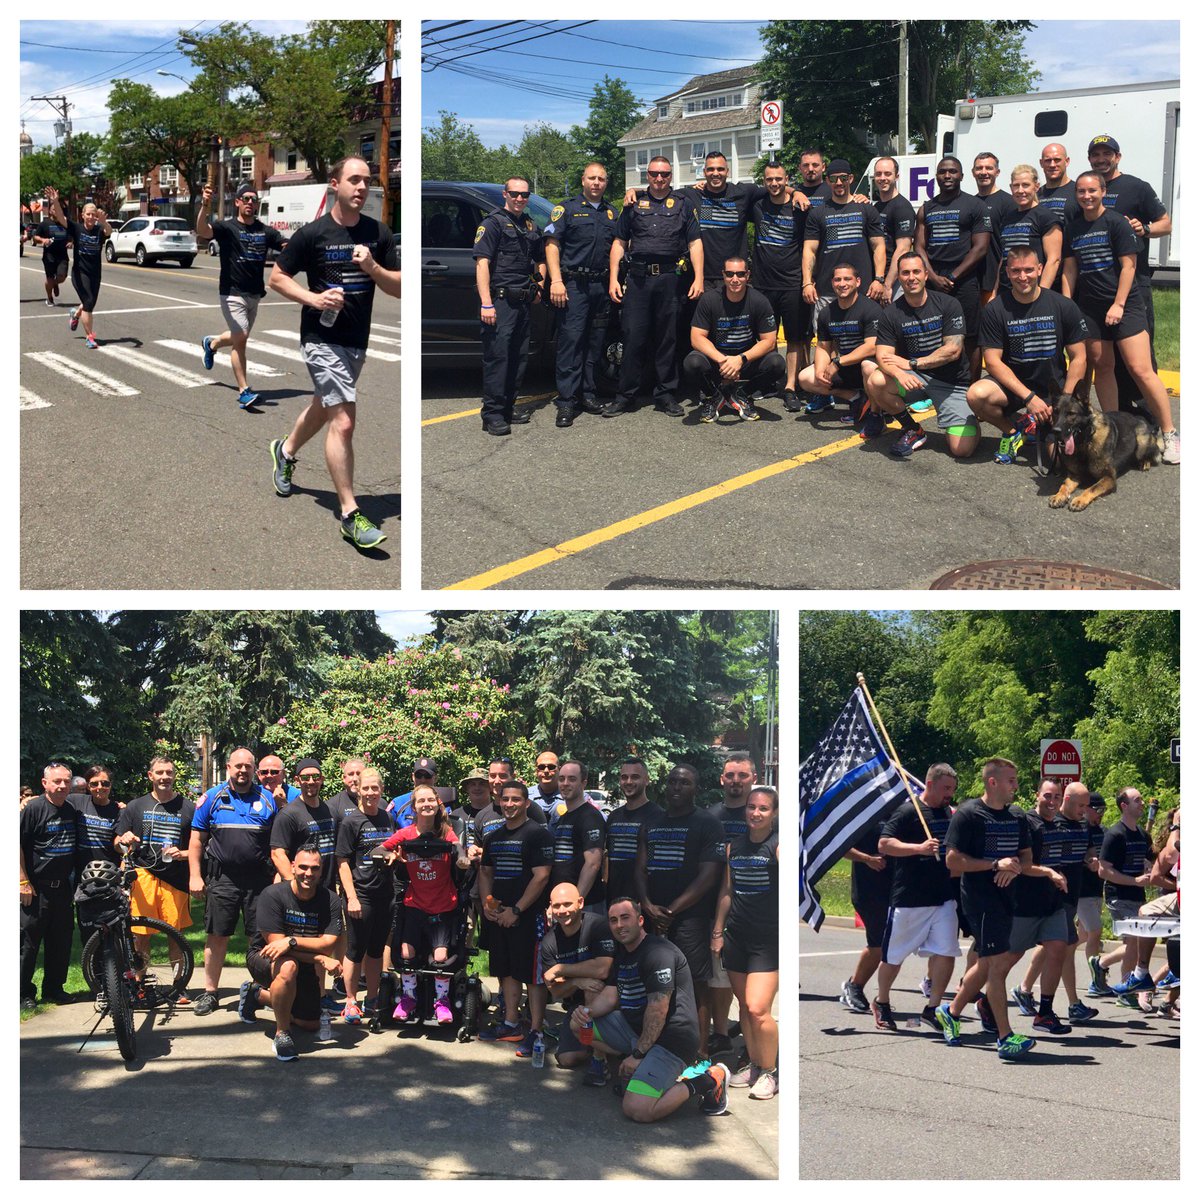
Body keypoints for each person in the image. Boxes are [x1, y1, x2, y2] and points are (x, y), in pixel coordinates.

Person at [267, 156, 400, 548]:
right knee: (343, 420)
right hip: (320, 340)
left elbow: (400, 287)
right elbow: (277, 277)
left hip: (355, 342)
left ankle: (286, 450)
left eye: (367, 181)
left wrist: (374, 267)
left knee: (326, 406)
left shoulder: (379, 233)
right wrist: (314, 298)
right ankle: (350, 514)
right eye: (354, 180)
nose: (361, 187)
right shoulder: (313, 234)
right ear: (335, 185)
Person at [569, 897, 728, 1121]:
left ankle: (708, 1080)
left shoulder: (657, 953)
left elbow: (658, 1011)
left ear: (641, 920)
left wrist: (637, 1055)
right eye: (613, 920)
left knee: (637, 1109)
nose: (619, 925)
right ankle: (644, 1068)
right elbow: (611, 994)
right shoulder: (624, 952)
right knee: (579, 1024)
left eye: (625, 918)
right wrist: (586, 1013)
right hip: (636, 1030)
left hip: (672, 1040)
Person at [1061, 171, 1179, 462]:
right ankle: (1115, 432)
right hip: (1090, 308)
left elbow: (1129, 267)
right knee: (1103, 366)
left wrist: (1118, 304)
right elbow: (1071, 269)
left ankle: (1170, 433)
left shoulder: (1116, 222)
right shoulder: (1074, 228)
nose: (1087, 196)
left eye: (1092, 190)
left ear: (1102, 191)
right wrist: (1066, 305)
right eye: (1081, 192)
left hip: (1126, 305)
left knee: (1141, 369)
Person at [937, 758, 1036, 1060]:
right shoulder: (968, 815)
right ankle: (1005, 1037)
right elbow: (952, 861)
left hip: (1008, 899)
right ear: (992, 782)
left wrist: (1014, 868)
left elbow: (1027, 860)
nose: (1016, 786)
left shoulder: (1017, 816)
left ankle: (950, 1012)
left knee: (984, 963)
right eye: (1011, 780)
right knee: (995, 966)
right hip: (980, 901)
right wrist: (994, 864)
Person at [635, 763, 725, 1063]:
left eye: (684, 783)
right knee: (654, 980)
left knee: (695, 982)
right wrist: (647, 905)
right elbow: (641, 867)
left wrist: (672, 910)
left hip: (690, 919)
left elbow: (709, 876)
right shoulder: (653, 822)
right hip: (652, 915)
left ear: (695, 788)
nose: (676, 787)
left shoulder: (707, 823)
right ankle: (656, 1039)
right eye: (673, 782)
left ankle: (700, 1050)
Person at [968, 243, 1089, 464]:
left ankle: (1041, 429)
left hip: (1054, 391)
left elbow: (1079, 357)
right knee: (976, 395)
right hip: (1014, 388)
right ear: (1007, 272)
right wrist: (1029, 398)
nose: (1022, 276)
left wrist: (1063, 402)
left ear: (1040, 269)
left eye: (1028, 270)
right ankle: (1015, 430)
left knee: (1060, 463)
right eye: (1015, 270)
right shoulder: (995, 309)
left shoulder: (1062, 305)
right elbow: (992, 361)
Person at [604, 156, 703, 418]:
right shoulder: (633, 203)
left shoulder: (683, 204)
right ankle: (626, 395)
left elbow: (695, 243)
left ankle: (665, 394)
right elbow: (619, 242)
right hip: (638, 280)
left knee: (667, 339)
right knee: (633, 338)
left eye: (665, 174)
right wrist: (614, 278)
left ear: (671, 176)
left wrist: (699, 278)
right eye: (654, 174)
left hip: (671, 279)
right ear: (647, 175)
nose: (660, 179)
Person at [867, 764, 959, 1033]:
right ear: (929, 784)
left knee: (947, 952)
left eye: (952, 790)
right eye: (945, 789)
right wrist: (918, 848)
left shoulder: (947, 812)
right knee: (893, 957)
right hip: (909, 897)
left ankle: (932, 1008)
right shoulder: (908, 811)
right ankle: (882, 1000)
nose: (949, 794)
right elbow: (884, 844)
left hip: (942, 897)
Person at [187, 748, 277, 1016]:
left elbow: (277, 843)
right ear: (228, 767)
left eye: (248, 767)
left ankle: (259, 991)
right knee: (217, 935)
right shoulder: (212, 798)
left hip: (259, 880)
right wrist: (194, 875)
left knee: (259, 936)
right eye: (238, 766)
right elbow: (196, 841)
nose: (242, 771)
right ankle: (211, 993)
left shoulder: (268, 799)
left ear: (254, 771)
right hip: (222, 878)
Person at [1085, 134, 1172, 410]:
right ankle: (1122, 414)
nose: (1101, 159)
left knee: (1140, 357)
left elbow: (1165, 224)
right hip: (1097, 286)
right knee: (1108, 360)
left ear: (1117, 157)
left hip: (1135, 282)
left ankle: (1152, 418)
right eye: (1096, 155)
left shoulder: (1137, 187)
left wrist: (1145, 229)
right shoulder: (1085, 189)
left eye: (1106, 154)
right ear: (1090, 159)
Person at [237, 844, 344, 1061]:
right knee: (288, 966)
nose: (308, 873)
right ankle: (282, 1034)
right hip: (263, 957)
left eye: (314, 868)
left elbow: (328, 944)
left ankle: (257, 995)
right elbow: (276, 948)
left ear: (321, 870)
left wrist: (292, 941)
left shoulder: (330, 899)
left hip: (299, 960)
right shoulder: (273, 895)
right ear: (293, 867)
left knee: (311, 1023)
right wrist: (319, 959)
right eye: (303, 867)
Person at [866, 252, 975, 459]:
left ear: (926, 274)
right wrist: (899, 373)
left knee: (962, 450)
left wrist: (912, 364)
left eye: (916, 271)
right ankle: (912, 428)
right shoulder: (891, 313)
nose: (911, 277)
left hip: (950, 382)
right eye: (905, 273)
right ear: (899, 277)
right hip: (915, 379)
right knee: (876, 380)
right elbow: (883, 355)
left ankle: (966, 418)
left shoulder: (948, 304)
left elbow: (953, 350)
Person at [477, 780, 554, 1056]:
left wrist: (517, 910)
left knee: (532, 975)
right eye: (505, 799)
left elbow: (542, 876)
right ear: (499, 802)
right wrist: (489, 905)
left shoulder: (537, 835)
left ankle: (535, 1029)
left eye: (516, 800)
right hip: (499, 916)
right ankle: (510, 1023)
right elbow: (485, 872)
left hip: (527, 916)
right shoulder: (493, 837)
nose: (509, 804)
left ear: (526, 803)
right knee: (506, 969)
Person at [713, 784, 779, 1100]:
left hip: (768, 941)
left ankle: (770, 1071)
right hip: (736, 937)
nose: (755, 813)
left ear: (774, 813)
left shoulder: (779, 847)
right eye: (752, 807)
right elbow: (727, 893)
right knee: (744, 1006)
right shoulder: (734, 848)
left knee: (758, 1008)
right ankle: (754, 1063)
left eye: (763, 808)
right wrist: (717, 931)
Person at [380, 782, 465, 1024]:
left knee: (440, 957)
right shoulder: (405, 834)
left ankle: (442, 1002)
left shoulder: (446, 832)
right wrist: (389, 856)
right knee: (406, 952)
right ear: (414, 807)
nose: (426, 805)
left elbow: (459, 850)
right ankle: (409, 998)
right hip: (415, 904)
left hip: (443, 905)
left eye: (430, 801)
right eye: (421, 801)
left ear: (438, 805)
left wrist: (464, 860)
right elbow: (381, 849)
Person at [1015, 780, 1099, 1024]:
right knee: (1060, 947)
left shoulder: (1083, 824)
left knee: (1055, 947)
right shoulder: (1050, 822)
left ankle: (1025, 990)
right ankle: (1072, 1003)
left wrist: (1091, 859)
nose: (1084, 810)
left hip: (1072, 890)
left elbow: (1087, 850)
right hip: (1050, 893)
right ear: (1067, 801)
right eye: (1080, 805)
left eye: (1086, 805)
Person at [197, 181, 287, 408]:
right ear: (237, 202)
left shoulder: (264, 231)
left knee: (240, 336)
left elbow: (285, 244)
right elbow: (202, 230)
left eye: (253, 199)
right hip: (231, 293)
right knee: (242, 339)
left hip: (254, 294)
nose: (249, 202)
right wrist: (205, 205)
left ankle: (212, 343)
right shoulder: (227, 228)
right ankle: (244, 390)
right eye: (245, 198)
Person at [113, 756, 195, 995]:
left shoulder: (188, 807)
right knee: (141, 935)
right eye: (159, 773)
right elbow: (118, 843)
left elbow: (201, 847)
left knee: (175, 936)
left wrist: (184, 853)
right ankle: (140, 983)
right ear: (150, 775)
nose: (164, 777)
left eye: (169, 772)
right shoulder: (135, 806)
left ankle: (179, 985)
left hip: (176, 879)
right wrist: (124, 841)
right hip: (143, 876)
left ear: (174, 775)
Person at [544, 163, 618, 427]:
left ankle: (588, 394)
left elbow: (617, 250)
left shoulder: (612, 212)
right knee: (571, 343)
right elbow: (552, 245)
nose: (596, 182)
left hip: (600, 286)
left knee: (594, 344)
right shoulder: (566, 209)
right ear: (583, 180)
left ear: (606, 182)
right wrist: (556, 281)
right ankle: (566, 402)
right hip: (574, 285)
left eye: (601, 178)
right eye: (592, 178)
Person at [473, 176, 545, 436]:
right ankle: (491, 414)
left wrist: (540, 285)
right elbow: (481, 264)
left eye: (524, 195)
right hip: (500, 302)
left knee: (518, 358)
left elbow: (539, 258)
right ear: (505, 194)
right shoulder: (492, 224)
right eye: (514, 193)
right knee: (498, 359)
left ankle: (508, 407)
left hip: (523, 301)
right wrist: (486, 304)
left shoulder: (528, 224)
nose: (519, 199)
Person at [1005, 778, 1073, 1035]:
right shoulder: (1027, 823)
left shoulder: (1058, 825)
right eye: (1048, 796)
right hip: (1025, 903)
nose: (1052, 802)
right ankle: (987, 1002)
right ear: (1037, 795)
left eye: (1056, 797)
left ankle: (1044, 1012)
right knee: (1009, 957)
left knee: (1058, 950)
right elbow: (1022, 865)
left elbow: (1056, 860)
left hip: (1052, 903)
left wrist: (1060, 874)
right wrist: (1048, 873)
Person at [915, 157, 991, 380]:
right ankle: (937, 385)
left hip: (965, 282)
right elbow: (919, 246)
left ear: (962, 175)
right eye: (942, 172)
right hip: (934, 282)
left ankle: (971, 386)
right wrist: (933, 276)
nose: (947, 176)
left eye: (952, 172)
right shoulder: (926, 208)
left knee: (969, 337)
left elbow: (980, 248)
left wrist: (953, 276)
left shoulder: (975, 206)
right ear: (936, 176)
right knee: (936, 334)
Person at [684, 256, 785, 422]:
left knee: (777, 363)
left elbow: (769, 341)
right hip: (718, 360)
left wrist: (741, 359)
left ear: (748, 275)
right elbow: (696, 338)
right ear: (723, 275)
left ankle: (743, 393)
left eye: (740, 274)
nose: (735, 279)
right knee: (692, 363)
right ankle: (713, 396)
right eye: (730, 274)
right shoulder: (709, 300)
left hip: (745, 360)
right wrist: (724, 361)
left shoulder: (759, 301)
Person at [334, 766, 395, 1023]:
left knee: (377, 950)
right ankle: (350, 1000)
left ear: (381, 790)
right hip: (362, 894)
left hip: (386, 894)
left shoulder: (387, 819)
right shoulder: (351, 822)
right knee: (355, 949)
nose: (370, 792)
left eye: (375, 788)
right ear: (358, 789)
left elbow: (394, 848)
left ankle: (372, 998)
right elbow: (342, 862)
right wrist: (352, 897)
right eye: (366, 788)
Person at [800, 157, 886, 337]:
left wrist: (879, 279)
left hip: (863, 291)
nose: (839, 183)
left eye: (843, 178)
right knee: (827, 346)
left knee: (867, 344)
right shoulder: (818, 213)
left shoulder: (866, 209)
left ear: (851, 179)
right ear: (827, 181)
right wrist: (807, 282)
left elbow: (878, 246)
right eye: (833, 179)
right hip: (828, 291)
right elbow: (809, 250)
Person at [707, 752, 756, 1053]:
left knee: (749, 982)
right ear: (722, 779)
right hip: (716, 904)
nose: (736, 781)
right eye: (731, 776)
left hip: (753, 909)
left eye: (743, 775)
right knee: (720, 977)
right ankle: (722, 1033)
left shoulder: (761, 816)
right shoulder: (711, 816)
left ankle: (751, 1036)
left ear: (754, 778)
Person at [540, 882, 616, 1075]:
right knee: (566, 1059)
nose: (562, 910)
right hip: (577, 1007)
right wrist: (576, 982)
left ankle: (600, 1062)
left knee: (593, 987)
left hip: (613, 1000)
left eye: (567, 904)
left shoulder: (599, 925)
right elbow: (555, 992)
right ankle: (599, 1046)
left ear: (580, 903)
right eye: (557, 905)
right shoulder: (550, 942)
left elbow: (603, 969)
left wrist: (561, 969)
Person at [20, 763, 78, 1008]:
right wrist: (22, 881)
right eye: (57, 781)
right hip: (35, 889)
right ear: (45, 783)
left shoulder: (72, 809)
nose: (62, 785)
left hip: (63, 889)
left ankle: (54, 988)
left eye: (66, 781)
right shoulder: (32, 809)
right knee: (27, 944)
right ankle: (22, 993)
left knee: (60, 941)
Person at [751, 162, 808, 407]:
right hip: (763, 284)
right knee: (767, 337)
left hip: (792, 283)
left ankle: (790, 387)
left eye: (779, 179)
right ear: (764, 182)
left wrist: (796, 192)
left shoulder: (799, 208)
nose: (774, 183)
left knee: (794, 338)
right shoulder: (756, 205)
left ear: (786, 179)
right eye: (769, 180)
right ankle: (770, 380)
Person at [797, 262, 881, 424]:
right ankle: (857, 398)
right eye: (837, 280)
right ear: (832, 283)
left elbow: (872, 346)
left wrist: (837, 362)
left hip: (869, 365)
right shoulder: (826, 313)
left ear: (858, 282)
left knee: (868, 367)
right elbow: (823, 346)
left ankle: (876, 411)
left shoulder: (870, 309)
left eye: (847, 279)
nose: (842, 284)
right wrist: (821, 371)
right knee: (806, 377)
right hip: (845, 367)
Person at [1092, 787, 1155, 992]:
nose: (1142, 803)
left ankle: (1100, 964)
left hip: (1138, 896)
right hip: (1118, 896)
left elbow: (1146, 862)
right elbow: (1103, 871)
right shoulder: (1115, 834)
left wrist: (1148, 869)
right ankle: (1127, 989)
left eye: (1142, 799)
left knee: (1135, 942)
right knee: (1135, 942)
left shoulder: (1144, 836)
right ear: (1124, 806)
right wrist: (1134, 880)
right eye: (1137, 800)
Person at [46, 187, 110, 348]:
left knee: (90, 303)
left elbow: (108, 231)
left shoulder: (98, 230)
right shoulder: (77, 228)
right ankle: (90, 337)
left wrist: (104, 223)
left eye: (93, 214)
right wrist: (55, 201)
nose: (91, 217)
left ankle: (75, 313)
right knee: (88, 302)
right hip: (80, 273)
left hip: (96, 273)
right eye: (88, 214)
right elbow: (61, 217)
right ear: (82, 215)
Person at [269, 758, 338, 892]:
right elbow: (277, 854)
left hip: (327, 890)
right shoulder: (288, 814)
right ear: (297, 780)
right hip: (301, 891)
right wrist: (294, 885)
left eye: (315, 777)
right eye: (305, 777)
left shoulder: (331, 811)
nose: (311, 781)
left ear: (322, 779)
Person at [993, 165, 1062, 293]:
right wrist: (995, 291)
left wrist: (1041, 294)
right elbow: (1004, 258)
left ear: (1036, 186)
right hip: (1007, 291)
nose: (1020, 190)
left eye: (1025, 185)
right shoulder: (1008, 218)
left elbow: (1054, 260)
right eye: (1016, 185)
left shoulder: (1046, 217)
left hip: (1032, 292)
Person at [549, 760, 606, 913]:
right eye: (562, 779)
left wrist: (576, 901)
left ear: (583, 783)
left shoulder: (590, 817)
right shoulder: (564, 817)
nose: (565, 783)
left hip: (586, 905)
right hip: (565, 904)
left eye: (572, 779)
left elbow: (593, 864)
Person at [605, 757, 663, 906]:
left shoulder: (659, 816)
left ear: (647, 780)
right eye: (624, 777)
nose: (628, 782)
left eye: (635, 777)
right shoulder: (613, 816)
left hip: (645, 901)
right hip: (614, 898)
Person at [971, 152, 1018, 302]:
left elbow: (1010, 246)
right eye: (979, 168)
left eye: (989, 168)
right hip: (972, 278)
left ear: (997, 172)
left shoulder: (1009, 203)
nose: (984, 172)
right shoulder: (969, 203)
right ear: (973, 172)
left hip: (997, 280)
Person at [873, 156, 917, 301]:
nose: (882, 178)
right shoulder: (876, 207)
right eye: (878, 174)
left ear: (896, 176)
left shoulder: (902, 207)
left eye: (887, 173)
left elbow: (903, 248)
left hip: (894, 280)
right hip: (879, 276)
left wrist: (887, 285)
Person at [32, 201, 71, 307]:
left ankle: (55, 283)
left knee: (62, 277)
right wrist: (43, 240)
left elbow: (72, 237)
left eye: (59, 210)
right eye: (54, 209)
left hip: (62, 255)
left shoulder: (65, 223)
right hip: (49, 255)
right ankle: (49, 297)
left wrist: (71, 242)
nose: (57, 211)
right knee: (49, 279)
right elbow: (35, 237)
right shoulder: (44, 224)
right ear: (50, 211)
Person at [386, 756, 438, 829]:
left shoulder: (443, 805)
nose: (423, 780)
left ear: (435, 778)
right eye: (418, 775)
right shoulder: (398, 804)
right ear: (413, 777)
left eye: (427, 776)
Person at [1037, 143, 1077, 225]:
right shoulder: (1036, 195)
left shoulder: (1079, 191)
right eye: (1048, 160)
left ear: (1067, 161)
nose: (1052, 165)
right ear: (1041, 163)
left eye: (1057, 160)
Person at [528, 751, 563, 819]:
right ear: (536, 771)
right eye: (541, 767)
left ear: (559, 770)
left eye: (551, 767)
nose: (546, 771)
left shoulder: (571, 796)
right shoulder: (526, 796)